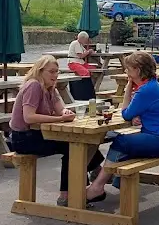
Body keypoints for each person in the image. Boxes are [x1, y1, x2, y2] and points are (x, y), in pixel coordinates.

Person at [8, 55, 105, 207]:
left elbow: (61, 109)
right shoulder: (34, 86)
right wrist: (60, 119)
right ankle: (68, 194)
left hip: (38, 133)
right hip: (23, 138)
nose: (55, 75)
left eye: (57, 71)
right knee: (73, 147)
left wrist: (65, 113)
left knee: (81, 142)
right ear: (40, 71)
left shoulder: (50, 87)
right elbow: (29, 117)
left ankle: (91, 177)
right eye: (51, 72)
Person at [86, 51, 159, 198]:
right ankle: (117, 182)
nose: (126, 72)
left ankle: (97, 187)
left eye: (128, 69)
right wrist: (137, 115)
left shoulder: (145, 90)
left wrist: (127, 89)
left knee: (121, 142)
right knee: (126, 142)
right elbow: (140, 111)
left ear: (137, 70)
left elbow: (126, 114)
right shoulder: (151, 86)